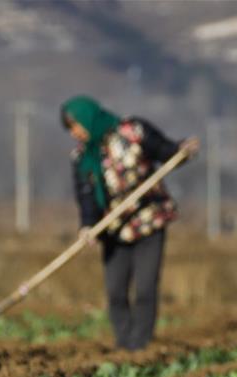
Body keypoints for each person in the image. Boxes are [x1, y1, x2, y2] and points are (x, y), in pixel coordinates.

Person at [61, 95, 199, 350]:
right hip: (113, 230)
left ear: (87, 120)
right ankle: (124, 344)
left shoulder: (133, 131)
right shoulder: (81, 158)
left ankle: (141, 345)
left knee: (145, 287)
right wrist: (88, 225)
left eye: (75, 126)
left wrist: (182, 150)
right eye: (70, 129)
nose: (74, 134)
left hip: (149, 222)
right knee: (115, 291)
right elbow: (86, 196)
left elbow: (165, 151)